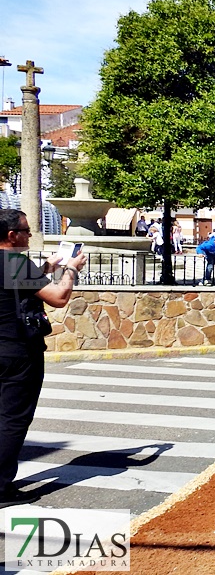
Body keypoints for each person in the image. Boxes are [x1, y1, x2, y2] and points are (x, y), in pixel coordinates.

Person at [0, 209, 87, 508]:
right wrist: (71, 269)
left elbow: (16, 285)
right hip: (18, 353)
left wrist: (46, 267)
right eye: (25, 230)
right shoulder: (15, 263)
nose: (29, 235)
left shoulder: (16, 265)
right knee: (12, 420)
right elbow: (59, 298)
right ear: (12, 235)